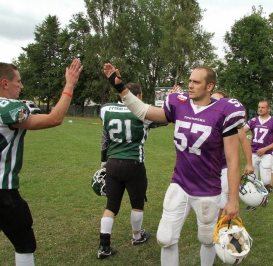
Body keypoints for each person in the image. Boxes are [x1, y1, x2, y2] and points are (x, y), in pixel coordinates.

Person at [103, 63, 245, 266]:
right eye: (190, 81)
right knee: (165, 238)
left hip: (207, 188)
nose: (191, 85)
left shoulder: (224, 111)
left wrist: (233, 200)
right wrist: (121, 89)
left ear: (209, 86)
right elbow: (144, 111)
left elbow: (232, 161)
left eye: (196, 82)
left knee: (206, 239)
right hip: (180, 182)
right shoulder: (179, 103)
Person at [0, 59, 83, 265]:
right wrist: (69, 85)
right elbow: (54, 119)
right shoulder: (10, 109)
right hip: (2, 192)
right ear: (5, 83)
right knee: (25, 245)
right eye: (18, 82)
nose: (21, 86)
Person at [97, 82, 168, 259]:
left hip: (112, 163)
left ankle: (103, 246)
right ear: (138, 96)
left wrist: (103, 162)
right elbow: (166, 118)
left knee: (111, 206)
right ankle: (137, 236)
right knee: (137, 204)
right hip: (134, 163)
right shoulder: (142, 111)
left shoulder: (106, 110)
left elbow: (105, 139)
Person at [211, 91, 254, 218]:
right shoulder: (204, 118)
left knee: (223, 199)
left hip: (225, 166)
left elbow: (244, 141)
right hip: (206, 167)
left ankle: (221, 229)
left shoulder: (231, 122)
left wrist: (249, 163)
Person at [243, 99, 273, 211]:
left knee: (266, 181)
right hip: (253, 153)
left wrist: (265, 149)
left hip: (266, 154)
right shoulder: (253, 120)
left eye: (263, 107)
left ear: (269, 108)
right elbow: (242, 131)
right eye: (259, 107)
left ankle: (265, 196)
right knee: (251, 178)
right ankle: (252, 201)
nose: (260, 109)